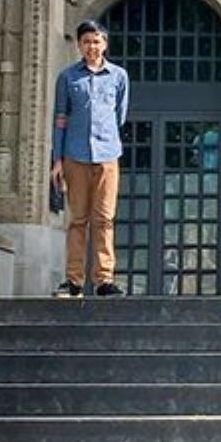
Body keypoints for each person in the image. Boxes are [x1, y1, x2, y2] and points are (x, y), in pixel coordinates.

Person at [50, 17, 130, 297]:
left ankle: (104, 279)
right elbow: (60, 118)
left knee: (105, 219)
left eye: (96, 41)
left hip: (108, 154)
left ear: (105, 44)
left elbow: (120, 115)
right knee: (78, 220)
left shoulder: (119, 76)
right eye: (86, 41)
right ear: (80, 45)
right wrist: (57, 159)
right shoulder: (68, 77)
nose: (92, 46)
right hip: (75, 154)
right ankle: (74, 280)